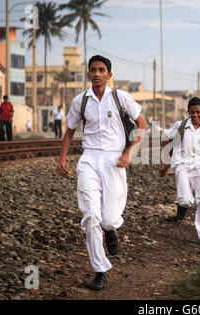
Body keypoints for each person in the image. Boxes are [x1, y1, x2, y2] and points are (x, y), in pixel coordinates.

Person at [56, 55, 147, 291]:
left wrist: (129, 152)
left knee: (107, 218)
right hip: (89, 160)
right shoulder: (80, 101)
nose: (97, 74)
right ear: (88, 74)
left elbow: (143, 125)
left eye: (101, 70)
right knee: (90, 216)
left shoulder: (120, 98)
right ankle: (99, 270)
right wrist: (62, 159)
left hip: (114, 160)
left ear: (109, 74)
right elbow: (69, 132)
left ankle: (111, 229)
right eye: (93, 70)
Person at [161, 97, 200, 247]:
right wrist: (166, 162)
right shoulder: (180, 126)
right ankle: (182, 207)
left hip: (198, 165)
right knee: (186, 200)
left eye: (198, 112)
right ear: (188, 112)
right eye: (192, 112)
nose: (195, 115)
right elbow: (166, 140)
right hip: (181, 165)